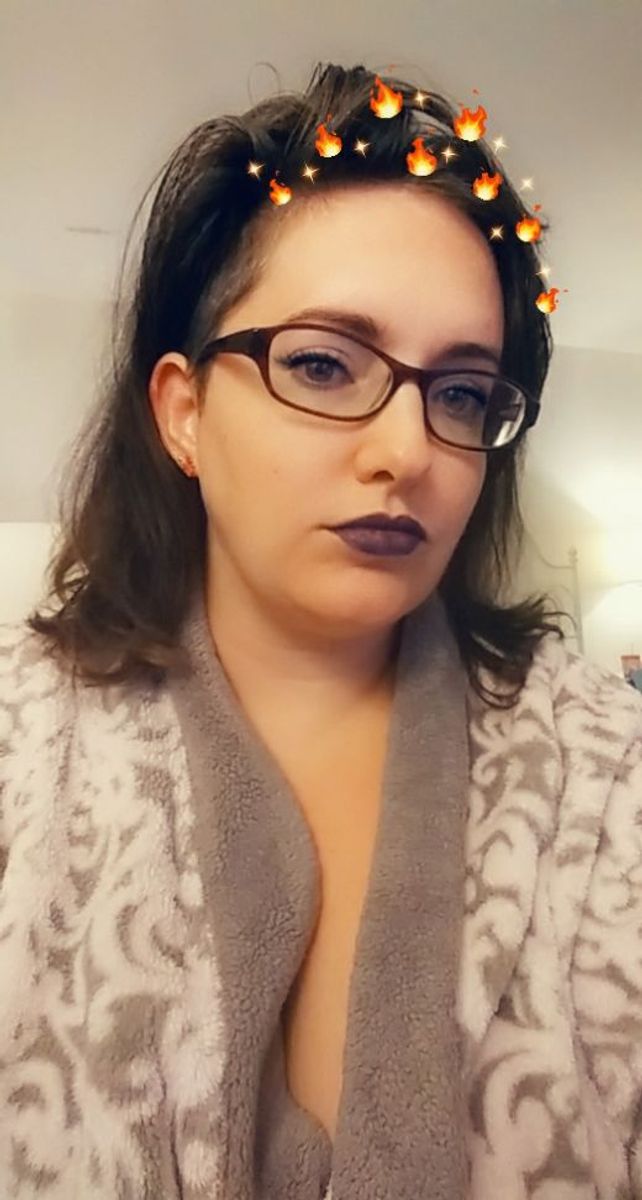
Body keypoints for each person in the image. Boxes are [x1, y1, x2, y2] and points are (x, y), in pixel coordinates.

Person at [1, 61, 641, 1200]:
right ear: (183, 413)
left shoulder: (605, 775)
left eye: (461, 393)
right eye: (321, 365)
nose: (407, 451)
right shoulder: (18, 745)